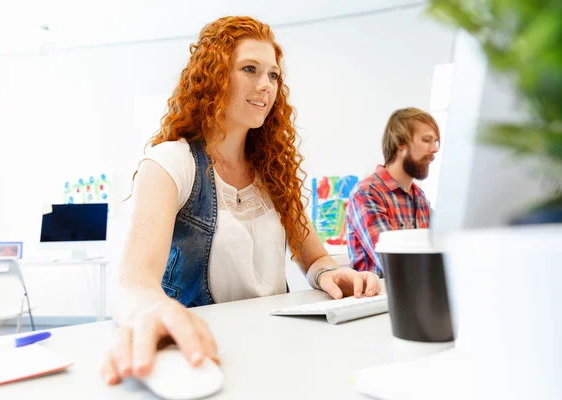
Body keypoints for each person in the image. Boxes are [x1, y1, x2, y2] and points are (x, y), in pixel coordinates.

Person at [100, 16, 381, 385]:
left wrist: (330, 273)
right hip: (205, 359)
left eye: (274, 75)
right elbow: (133, 282)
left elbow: (314, 256)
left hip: (277, 353)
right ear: (213, 76)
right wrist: (152, 309)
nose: (266, 85)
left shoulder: (273, 172)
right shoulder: (171, 163)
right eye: (250, 69)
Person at [345, 107, 440, 277]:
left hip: (415, 295)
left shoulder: (419, 197)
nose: (435, 149)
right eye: (426, 140)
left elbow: (443, 247)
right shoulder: (367, 193)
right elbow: (394, 265)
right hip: (379, 300)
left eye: (436, 142)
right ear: (400, 143)